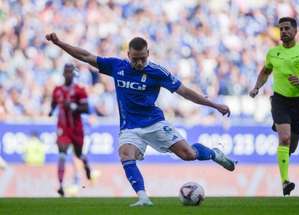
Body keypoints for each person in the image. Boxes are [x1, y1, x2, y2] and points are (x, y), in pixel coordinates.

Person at [45, 33, 236, 206]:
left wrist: (215, 105)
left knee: (189, 155)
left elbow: (184, 92)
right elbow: (86, 56)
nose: (139, 63)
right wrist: (59, 42)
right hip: (130, 127)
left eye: (143, 58)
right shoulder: (116, 66)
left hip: (154, 123)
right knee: (125, 155)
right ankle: (143, 198)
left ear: (148, 53)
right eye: (135, 59)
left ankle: (214, 154)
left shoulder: (158, 72)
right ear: (128, 54)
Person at [249, 17, 299, 196]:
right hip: (279, 100)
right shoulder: (273, 53)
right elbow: (265, 71)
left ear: (295, 31)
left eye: (287, 28)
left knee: (292, 146)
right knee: (285, 139)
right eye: (281, 29)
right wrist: (257, 87)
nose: (283, 31)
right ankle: (285, 182)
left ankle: (283, 162)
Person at [49, 63, 94, 197]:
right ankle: (61, 186)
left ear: (73, 74)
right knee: (62, 154)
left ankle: (86, 166)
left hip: (76, 128)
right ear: (63, 74)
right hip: (62, 128)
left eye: (70, 72)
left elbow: (86, 109)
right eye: (66, 72)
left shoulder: (80, 90)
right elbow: (53, 103)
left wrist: (74, 106)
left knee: (78, 154)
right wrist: (51, 111)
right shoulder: (57, 90)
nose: (68, 74)